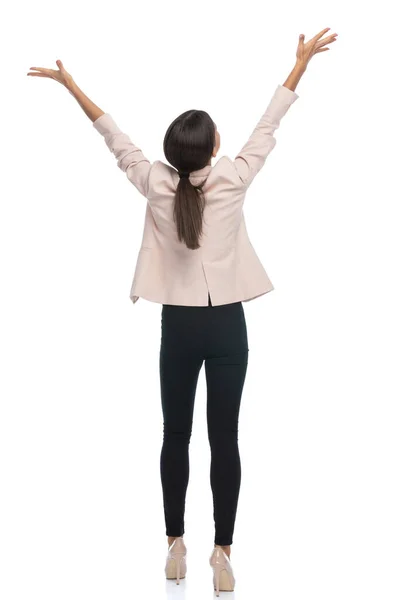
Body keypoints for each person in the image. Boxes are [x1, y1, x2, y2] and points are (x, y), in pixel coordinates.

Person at [27, 26, 338, 595]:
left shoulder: (153, 183)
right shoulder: (235, 178)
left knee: (174, 434)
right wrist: (301, 65)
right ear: (214, 148)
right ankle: (223, 554)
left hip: (178, 327)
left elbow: (113, 137)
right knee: (226, 437)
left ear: (173, 154)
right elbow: (270, 123)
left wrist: (71, 84)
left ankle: (175, 547)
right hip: (226, 327)